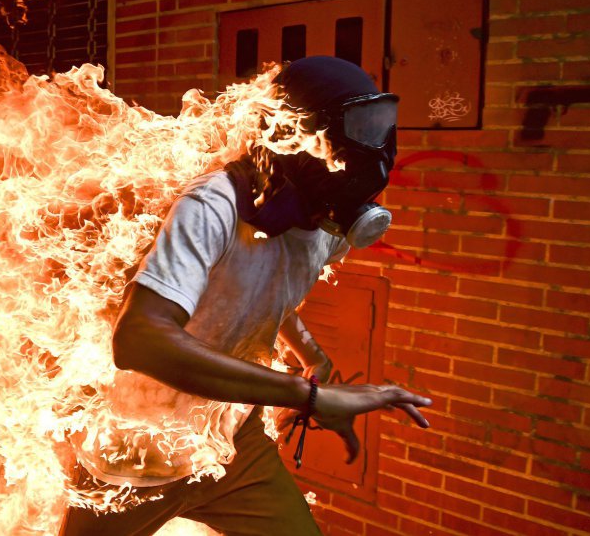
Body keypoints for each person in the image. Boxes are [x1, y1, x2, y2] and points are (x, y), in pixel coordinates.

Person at [60, 56, 432, 536]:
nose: (374, 147)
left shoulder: (326, 224)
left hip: (231, 439)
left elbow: (261, 291)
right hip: (137, 454)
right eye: (360, 126)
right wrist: (311, 396)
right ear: (296, 132)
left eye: (381, 125)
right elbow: (139, 338)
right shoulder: (212, 205)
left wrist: (311, 356)